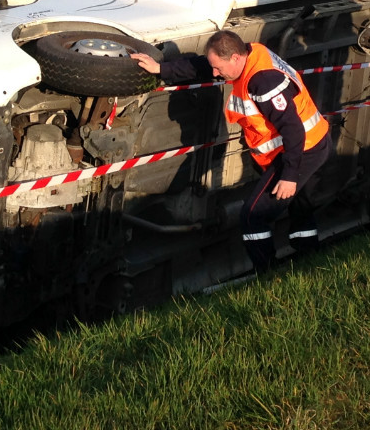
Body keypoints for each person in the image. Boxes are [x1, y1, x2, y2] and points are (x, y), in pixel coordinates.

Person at [130, 30, 331, 272]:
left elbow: (293, 130)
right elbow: (204, 66)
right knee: (300, 203)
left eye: (219, 68)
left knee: (253, 216)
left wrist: (289, 175)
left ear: (235, 57)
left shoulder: (263, 82)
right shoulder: (251, 53)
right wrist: (161, 70)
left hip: (302, 148)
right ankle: (310, 260)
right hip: (311, 141)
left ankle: (268, 275)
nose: (215, 74)